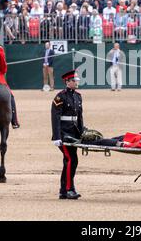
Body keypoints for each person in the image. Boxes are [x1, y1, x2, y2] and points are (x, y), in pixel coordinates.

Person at [51, 70, 84, 200]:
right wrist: (57, 136)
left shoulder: (78, 96)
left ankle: (63, 190)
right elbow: (55, 117)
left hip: (74, 133)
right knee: (71, 159)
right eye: (74, 81)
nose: (76, 83)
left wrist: (82, 132)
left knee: (69, 161)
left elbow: (80, 117)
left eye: (76, 80)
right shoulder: (60, 97)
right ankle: (69, 189)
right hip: (64, 134)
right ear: (67, 82)